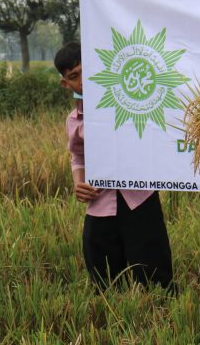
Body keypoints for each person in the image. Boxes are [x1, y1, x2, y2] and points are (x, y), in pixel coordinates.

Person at [56, 41, 174, 290]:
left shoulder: (135, 103)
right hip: (100, 206)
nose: (83, 80)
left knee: (156, 282)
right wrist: (79, 182)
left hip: (140, 199)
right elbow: (77, 156)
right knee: (105, 283)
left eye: (86, 70)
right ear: (66, 83)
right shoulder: (74, 121)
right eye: (74, 76)